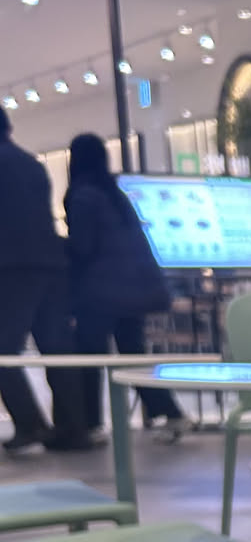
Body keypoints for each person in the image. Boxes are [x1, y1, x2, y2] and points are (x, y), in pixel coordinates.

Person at [65, 133, 188, 443]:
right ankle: (171, 413)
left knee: (90, 359)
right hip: (133, 291)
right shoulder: (114, 193)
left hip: (100, 293)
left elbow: (82, 247)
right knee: (133, 357)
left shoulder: (81, 196)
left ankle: (91, 425)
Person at [0, 106, 88, 453]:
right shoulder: (31, 163)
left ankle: (30, 423)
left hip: (12, 266)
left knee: (3, 348)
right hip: (50, 262)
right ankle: (73, 428)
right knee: (57, 346)